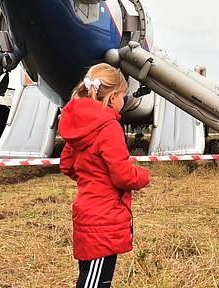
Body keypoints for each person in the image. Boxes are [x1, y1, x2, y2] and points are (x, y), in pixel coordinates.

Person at [59, 64, 150, 288]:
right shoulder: (109, 127)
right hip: (103, 219)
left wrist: (91, 176)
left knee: (93, 277)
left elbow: (67, 165)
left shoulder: (80, 127)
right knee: (94, 283)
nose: (124, 101)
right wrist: (142, 176)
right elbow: (123, 175)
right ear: (111, 97)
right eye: (122, 96)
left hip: (86, 212)